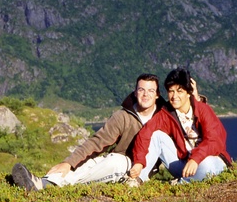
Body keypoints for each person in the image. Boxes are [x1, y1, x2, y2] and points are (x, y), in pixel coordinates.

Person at [11, 73, 165, 191]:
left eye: (151, 90)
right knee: (92, 162)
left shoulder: (164, 118)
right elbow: (97, 142)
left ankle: (46, 185)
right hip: (120, 165)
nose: (146, 94)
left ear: (157, 95)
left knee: (115, 161)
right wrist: (68, 163)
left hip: (136, 171)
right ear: (135, 92)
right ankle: (43, 181)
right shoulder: (123, 117)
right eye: (141, 89)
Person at [128, 67, 232, 185]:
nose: (174, 96)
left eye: (180, 91)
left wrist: (195, 159)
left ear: (188, 93)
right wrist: (139, 162)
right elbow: (145, 134)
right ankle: (137, 179)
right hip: (184, 164)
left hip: (208, 160)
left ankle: (180, 184)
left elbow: (214, 140)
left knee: (208, 165)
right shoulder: (167, 113)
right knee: (157, 136)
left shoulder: (203, 110)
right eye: (171, 91)